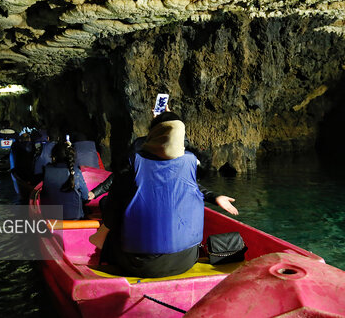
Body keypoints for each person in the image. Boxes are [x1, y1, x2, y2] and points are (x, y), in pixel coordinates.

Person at [90, 112, 238, 278]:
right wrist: (214, 196)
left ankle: (102, 243)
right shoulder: (191, 161)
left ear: (152, 134)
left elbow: (113, 206)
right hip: (187, 260)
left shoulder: (134, 161)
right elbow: (189, 182)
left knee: (113, 212)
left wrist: (105, 229)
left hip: (141, 265)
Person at [40, 140, 90, 220]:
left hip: (50, 217)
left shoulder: (46, 170)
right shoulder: (76, 172)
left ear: (54, 156)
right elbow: (85, 196)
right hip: (74, 218)